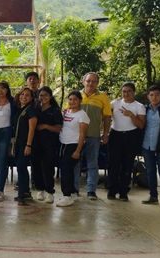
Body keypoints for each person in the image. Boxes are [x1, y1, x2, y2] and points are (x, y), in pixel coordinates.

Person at [75, 72, 111, 200]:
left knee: (92, 163)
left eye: (94, 81)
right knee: (76, 163)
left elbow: (107, 117)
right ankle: (74, 189)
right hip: (76, 136)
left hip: (94, 136)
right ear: (83, 81)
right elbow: (68, 114)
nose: (91, 83)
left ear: (97, 83)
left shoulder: (103, 97)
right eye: (88, 81)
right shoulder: (76, 96)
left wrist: (105, 133)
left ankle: (91, 191)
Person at [107, 82, 146, 201]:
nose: (126, 94)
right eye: (124, 91)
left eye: (129, 91)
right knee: (113, 165)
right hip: (115, 135)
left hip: (131, 136)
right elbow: (106, 117)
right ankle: (112, 191)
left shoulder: (139, 106)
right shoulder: (115, 103)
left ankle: (124, 192)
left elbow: (141, 125)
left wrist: (131, 115)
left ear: (134, 92)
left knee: (127, 165)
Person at [58, 91, 89, 207]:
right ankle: (71, 193)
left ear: (80, 101)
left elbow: (82, 134)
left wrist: (78, 150)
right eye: (70, 99)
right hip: (63, 144)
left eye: (75, 99)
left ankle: (67, 196)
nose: (72, 102)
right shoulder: (66, 112)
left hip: (73, 145)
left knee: (66, 170)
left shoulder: (82, 115)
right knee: (66, 170)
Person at [32, 86, 63, 204]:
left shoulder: (55, 110)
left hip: (50, 144)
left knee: (48, 168)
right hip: (35, 143)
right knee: (36, 167)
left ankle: (50, 192)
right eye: (41, 95)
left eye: (45, 95)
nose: (43, 97)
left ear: (50, 96)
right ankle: (40, 190)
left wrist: (45, 126)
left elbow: (59, 128)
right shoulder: (35, 108)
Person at [12, 87, 37, 205]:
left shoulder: (31, 110)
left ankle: (22, 195)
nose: (24, 97)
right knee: (20, 168)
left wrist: (28, 145)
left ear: (32, 98)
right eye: (22, 94)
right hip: (18, 143)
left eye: (27, 95)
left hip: (25, 144)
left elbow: (32, 129)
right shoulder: (19, 109)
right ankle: (26, 192)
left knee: (22, 168)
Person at [0, 81, 15, 202]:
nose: (0, 91)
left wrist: (13, 135)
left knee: (2, 162)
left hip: (6, 133)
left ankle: (1, 190)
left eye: (3, 88)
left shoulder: (12, 103)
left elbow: (15, 120)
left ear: (7, 90)